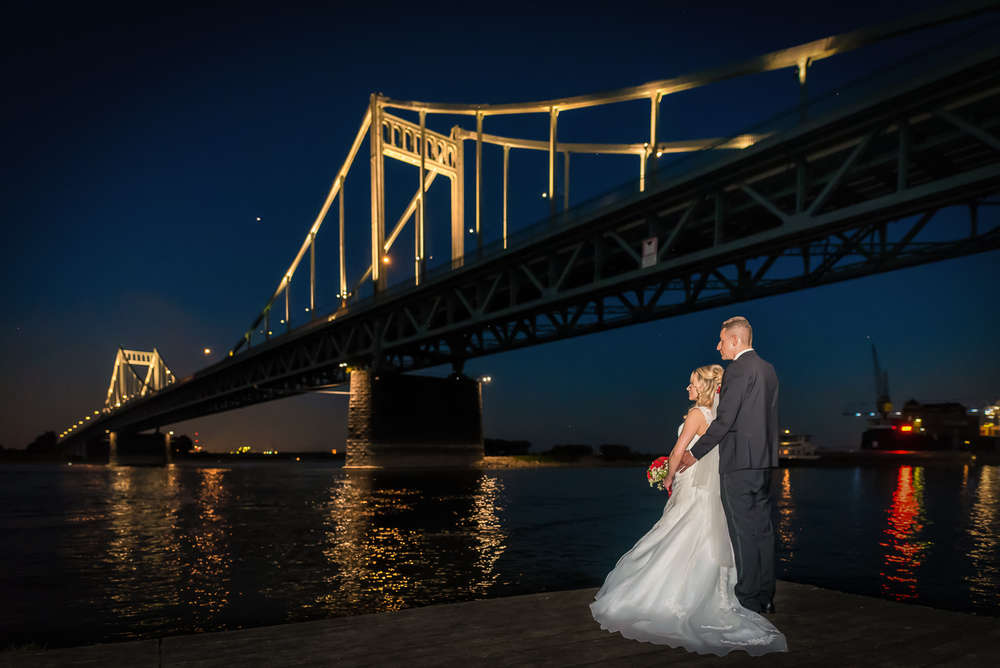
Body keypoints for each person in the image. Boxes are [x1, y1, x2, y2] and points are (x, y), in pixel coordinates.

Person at [589, 360, 786, 656]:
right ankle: (725, 594)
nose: (688, 387)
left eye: (692, 382)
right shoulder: (721, 416)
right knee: (711, 533)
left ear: (704, 387)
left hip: (692, 484)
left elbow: (679, 450)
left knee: (677, 530)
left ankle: (668, 597)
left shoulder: (696, 413)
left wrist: (667, 476)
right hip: (712, 487)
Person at [678, 315, 780, 614]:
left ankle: (747, 597)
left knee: (744, 531)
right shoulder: (769, 369)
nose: (718, 345)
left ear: (735, 340)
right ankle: (767, 595)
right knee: (763, 530)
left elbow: (726, 420)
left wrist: (695, 453)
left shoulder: (737, 370)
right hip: (764, 462)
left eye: (722, 340)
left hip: (738, 463)